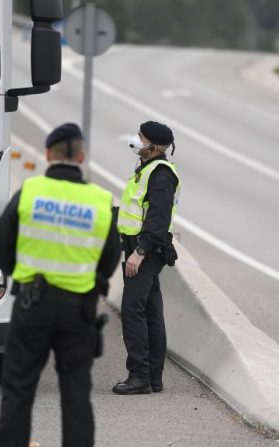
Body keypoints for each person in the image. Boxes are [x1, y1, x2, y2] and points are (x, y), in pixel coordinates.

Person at [0, 123, 121, 447]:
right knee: (76, 394)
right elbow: (110, 258)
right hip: (78, 310)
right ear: (82, 155)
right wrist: (90, 284)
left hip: (32, 304)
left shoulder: (30, 192)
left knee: (19, 388)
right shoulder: (100, 201)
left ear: (48, 154)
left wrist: (21, 276)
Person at [112, 121, 181, 395]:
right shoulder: (148, 169)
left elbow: (159, 218)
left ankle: (139, 376)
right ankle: (153, 377)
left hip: (146, 250)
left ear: (153, 146)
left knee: (132, 310)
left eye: (141, 138)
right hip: (140, 246)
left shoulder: (161, 174)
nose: (136, 140)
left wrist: (139, 253)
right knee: (151, 312)